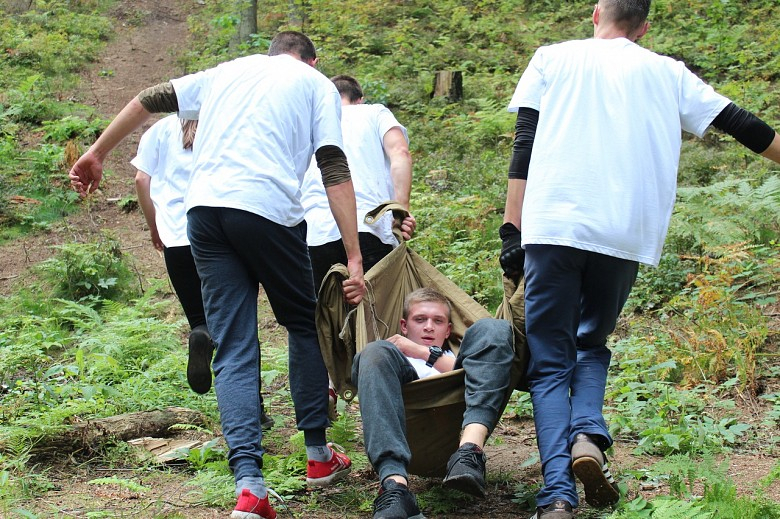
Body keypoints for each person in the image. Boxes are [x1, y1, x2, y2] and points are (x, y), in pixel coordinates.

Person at [499, 2, 780, 518]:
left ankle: (557, 495)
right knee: (592, 341)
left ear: (595, 13)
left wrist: (511, 228)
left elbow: (524, 145)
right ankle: (587, 431)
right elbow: (744, 125)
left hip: (554, 223)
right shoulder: (668, 72)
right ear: (644, 25)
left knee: (550, 362)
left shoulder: (551, 58)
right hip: (624, 230)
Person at [69, 31, 367, 519]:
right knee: (303, 324)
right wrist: (353, 253)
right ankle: (317, 455)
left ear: (270, 54)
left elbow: (147, 99)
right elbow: (332, 165)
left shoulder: (226, 72)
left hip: (203, 212)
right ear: (313, 61)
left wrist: (97, 152)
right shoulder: (315, 85)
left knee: (232, 342)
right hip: (268, 208)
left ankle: (249, 485)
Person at [131, 114, 273, 430]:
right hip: (219, 233)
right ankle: (254, 410)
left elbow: (142, 180)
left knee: (201, 319)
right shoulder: (224, 121)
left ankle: (201, 333)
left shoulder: (157, 130)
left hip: (176, 239)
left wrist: (155, 226)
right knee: (238, 327)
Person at [351, 287, 515, 519]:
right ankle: (395, 488)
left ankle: (469, 452)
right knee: (374, 350)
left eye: (438, 321)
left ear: (448, 329)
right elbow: (374, 369)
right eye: (420, 319)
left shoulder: (459, 357)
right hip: (408, 426)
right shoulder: (389, 358)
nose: (429, 326)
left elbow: (481, 371)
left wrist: (424, 352)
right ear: (404, 326)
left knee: (494, 327)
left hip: (459, 424)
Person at [302, 74, 416, 291]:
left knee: (326, 319)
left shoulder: (311, 121)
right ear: (360, 99)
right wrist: (401, 211)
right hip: (369, 226)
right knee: (376, 316)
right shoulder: (375, 112)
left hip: (314, 233)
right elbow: (400, 153)